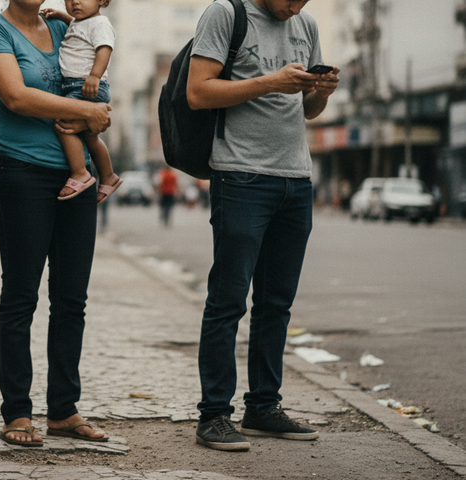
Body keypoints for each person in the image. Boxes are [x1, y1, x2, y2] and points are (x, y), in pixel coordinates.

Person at [185, 0, 340, 451]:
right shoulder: (224, 15)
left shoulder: (305, 24)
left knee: (277, 303)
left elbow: (308, 111)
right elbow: (199, 93)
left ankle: (263, 407)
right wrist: (271, 81)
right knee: (228, 301)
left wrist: (323, 90)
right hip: (241, 176)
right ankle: (214, 415)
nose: (297, 6)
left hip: (296, 178)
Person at [0, 0, 112, 447]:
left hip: (79, 176)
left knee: (72, 299)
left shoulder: (61, 28)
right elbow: (16, 97)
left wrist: (94, 109)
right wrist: (88, 114)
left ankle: (63, 410)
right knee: (21, 296)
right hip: (22, 174)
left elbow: (93, 69)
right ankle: (17, 412)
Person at [42, 0, 123, 204]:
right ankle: (108, 176)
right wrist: (61, 15)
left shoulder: (101, 23)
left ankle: (80, 173)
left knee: (62, 124)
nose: (75, 1)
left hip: (86, 86)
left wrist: (94, 76)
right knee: (89, 136)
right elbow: (78, 29)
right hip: (78, 85)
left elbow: (104, 49)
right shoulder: (81, 22)